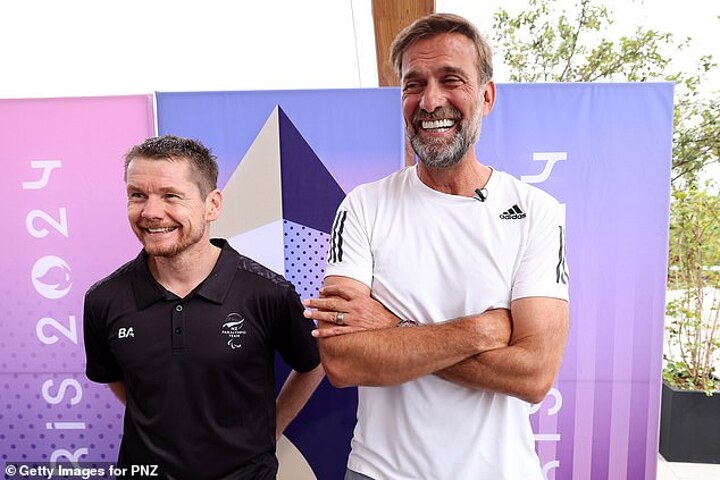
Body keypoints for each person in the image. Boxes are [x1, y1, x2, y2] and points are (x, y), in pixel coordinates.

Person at [303, 13, 570, 480]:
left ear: (486, 96)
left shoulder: (536, 212)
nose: (430, 101)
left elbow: (533, 375)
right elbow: (342, 361)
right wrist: (482, 330)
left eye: (451, 80)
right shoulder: (363, 206)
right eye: (414, 84)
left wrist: (391, 328)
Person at [83, 135, 324, 479]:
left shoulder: (267, 292)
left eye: (170, 196)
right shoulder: (103, 300)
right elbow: (119, 380)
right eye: (137, 195)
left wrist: (269, 431)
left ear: (212, 205)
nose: (151, 212)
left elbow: (312, 363)